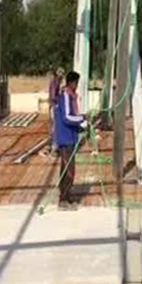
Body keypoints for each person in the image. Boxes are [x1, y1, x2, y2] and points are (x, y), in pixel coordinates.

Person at [54, 71, 88, 210]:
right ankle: (63, 200)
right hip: (66, 138)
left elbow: (72, 116)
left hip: (70, 137)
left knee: (66, 168)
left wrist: (81, 126)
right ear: (72, 83)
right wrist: (82, 118)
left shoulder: (70, 97)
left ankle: (66, 197)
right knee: (69, 170)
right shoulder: (66, 96)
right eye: (76, 83)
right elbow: (67, 117)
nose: (77, 86)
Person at [46, 67, 65, 156]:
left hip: (52, 106)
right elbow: (54, 96)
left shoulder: (54, 82)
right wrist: (61, 97)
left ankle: (50, 147)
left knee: (52, 127)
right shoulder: (55, 82)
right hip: (54, 107)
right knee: (55, 127)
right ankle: (54, 149)